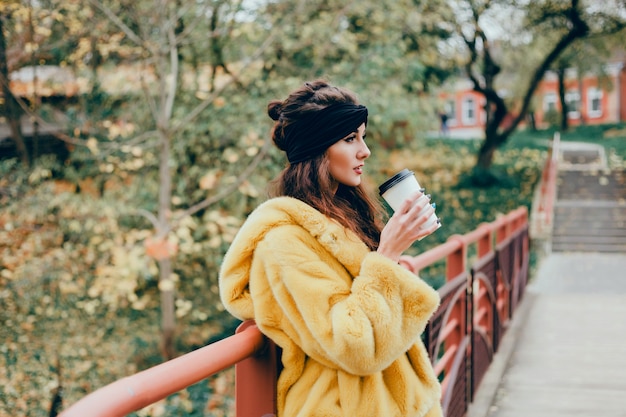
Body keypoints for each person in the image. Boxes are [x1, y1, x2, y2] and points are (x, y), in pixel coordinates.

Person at [219, 80, 443, 417]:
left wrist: (395, 256)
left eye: (362, 137)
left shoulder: (346, 216)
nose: (364, 151)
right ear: (319, 148)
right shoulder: (284, 242)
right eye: (350, 139)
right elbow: (353, 346)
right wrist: (387, 257)